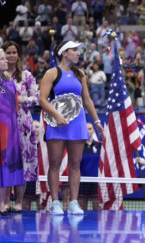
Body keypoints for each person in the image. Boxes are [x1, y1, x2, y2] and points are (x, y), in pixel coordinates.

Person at [38, 40, 104, 215]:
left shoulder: (81, 74)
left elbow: (87, 100)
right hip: (56, 124)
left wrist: (97, 122)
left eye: (77, 50)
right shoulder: (51, 73)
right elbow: (42, 100)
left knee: (75, 165)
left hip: (77, 124)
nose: (77, 53)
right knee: (55, 164)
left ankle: (74, 202)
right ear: (64, 53)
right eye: (73, 50)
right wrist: (57, 116)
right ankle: (55, 202)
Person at [2, 41, 39, 213]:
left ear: (18, 55)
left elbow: (37, 97)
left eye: (13, 52)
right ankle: (5, 202)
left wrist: (24, 100)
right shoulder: (1, 76)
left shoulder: (26, 76)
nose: (10, 56)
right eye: (7, 53)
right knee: (7, 162)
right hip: (5, 126)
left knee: (22, 163)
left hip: (23, 125)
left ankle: (19, 202)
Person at [0, 49, 25, 216]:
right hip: (1, 126)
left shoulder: (10, 82)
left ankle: (3, 203)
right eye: (2, 58)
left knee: (7, 165)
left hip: (12, 127)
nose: (5, 61)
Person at [78, 122, 102, 211]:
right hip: (81, 182)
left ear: (93, 131)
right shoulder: (77, 147)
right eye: (86, 129)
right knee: (81, 209)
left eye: (90, 129)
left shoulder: (100, 145)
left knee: (97, 209)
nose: (88, 131)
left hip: (97, 181)